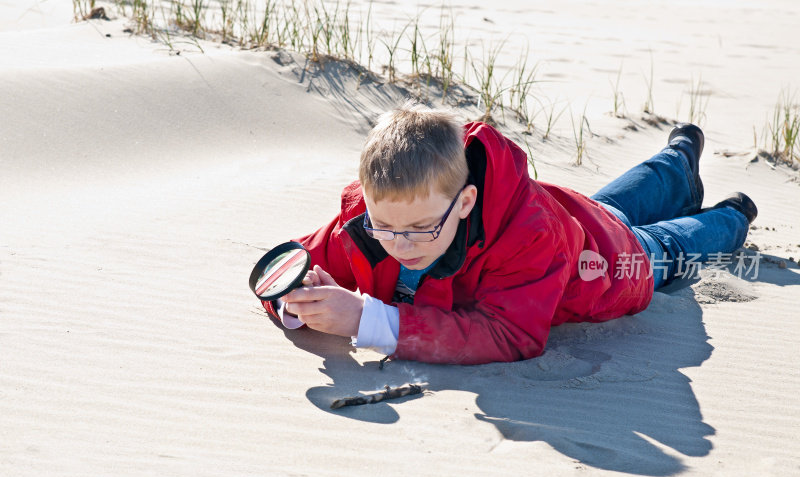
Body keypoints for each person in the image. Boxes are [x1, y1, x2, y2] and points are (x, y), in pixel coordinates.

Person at [263, 101, 756, 365]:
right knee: (610, 208)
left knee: (656, 244)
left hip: (605, 266)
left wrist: (365, 321)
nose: (397, 243)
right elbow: (293, 259)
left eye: (419, 229)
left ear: (466, 202)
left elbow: (512, 335)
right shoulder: (371, 219)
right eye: (383, 226)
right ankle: (680, 159)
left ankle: (732, 214)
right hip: (576, 215)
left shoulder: (527, 237)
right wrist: (296, 298)